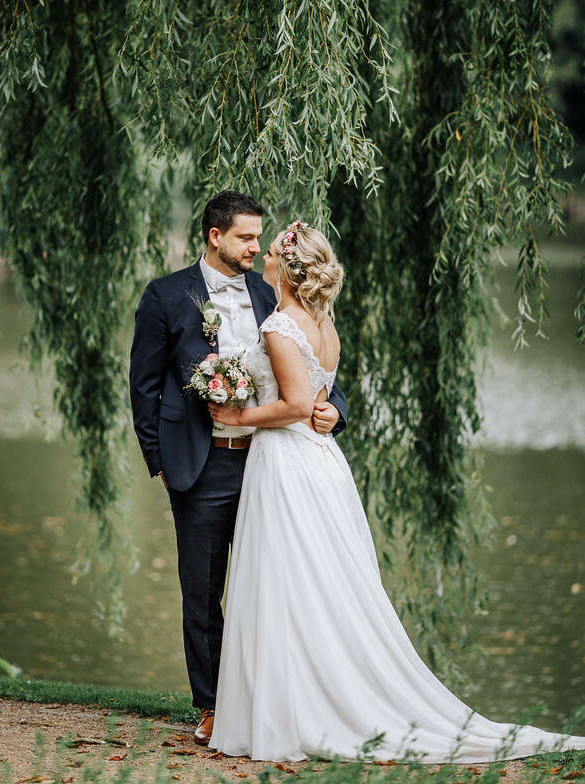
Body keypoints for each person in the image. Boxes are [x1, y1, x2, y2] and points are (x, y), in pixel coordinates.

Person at [206, 220, 585, 764]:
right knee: (314, 584)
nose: (263, 257)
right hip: (319, 463)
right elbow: (319, 396)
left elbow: (292, 406)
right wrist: (323, 409)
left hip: (287, 464)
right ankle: (301, 699)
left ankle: (293, 709)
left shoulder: (279, 326)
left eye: (271, 252)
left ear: (287, 269)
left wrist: (235, 414)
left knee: (286, 579)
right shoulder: (322, 324)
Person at [129, 194, 348, 746]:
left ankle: (275, 703)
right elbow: (144, 386)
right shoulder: (166, 295)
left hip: (269, 464)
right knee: (202, 594)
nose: (256, 247)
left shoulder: (271, 292)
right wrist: (160, 461)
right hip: (200, 468)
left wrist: (334, 408)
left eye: (259, 238)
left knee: (270, 588)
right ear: (213, 236)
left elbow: (311, 363)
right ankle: (211, 706)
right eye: (245, 238)